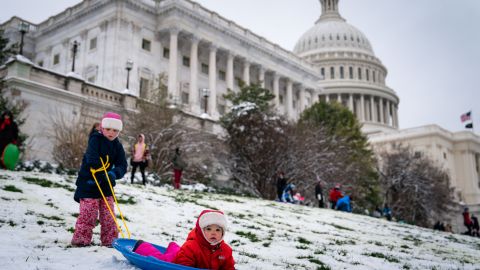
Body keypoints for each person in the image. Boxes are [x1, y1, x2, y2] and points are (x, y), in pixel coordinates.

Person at [71, 112, 128, 247]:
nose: (111, 133)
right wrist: (100, 173)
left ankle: (110, 240)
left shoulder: (117, 145)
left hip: (106, 184)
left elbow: (122, 164)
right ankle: (81, 239)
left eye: (115, 130)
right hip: (89, 182)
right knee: (88, 213)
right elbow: (92, 158)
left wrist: (115, 173)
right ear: (102, 128)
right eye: (108, 129)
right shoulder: (95, 139)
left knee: (108, 215)